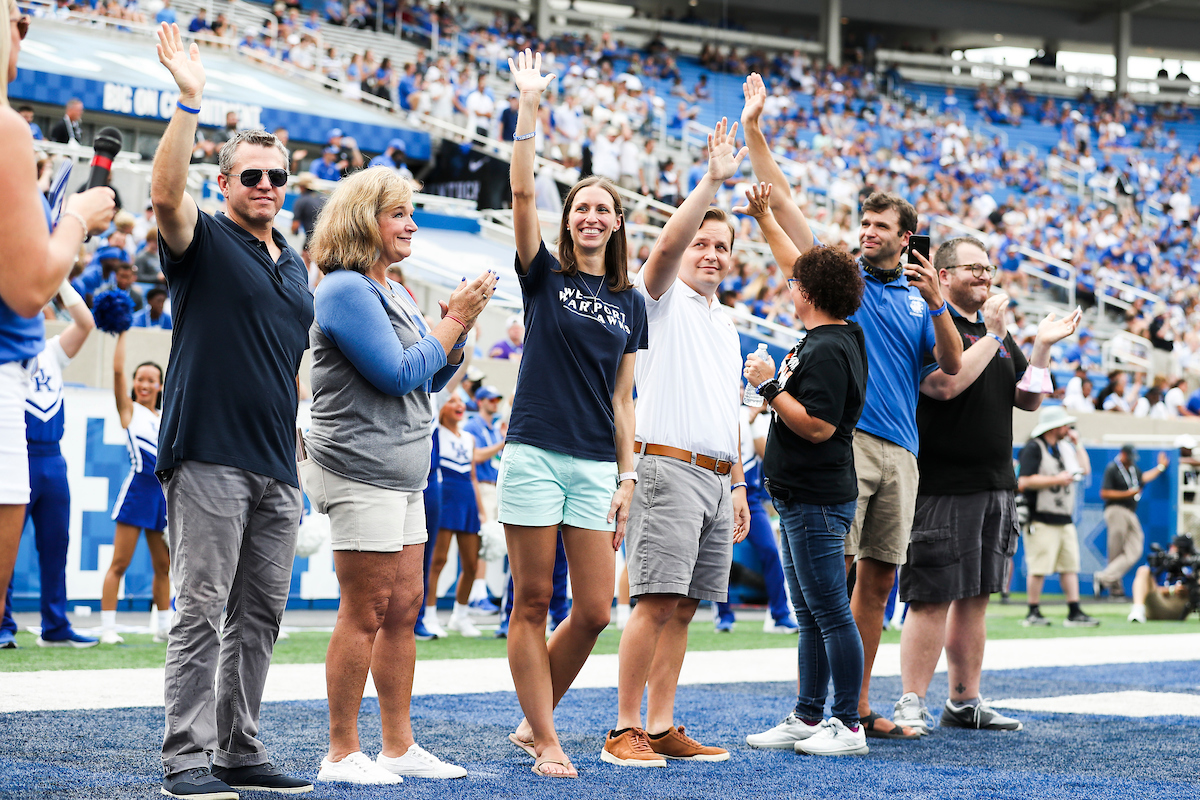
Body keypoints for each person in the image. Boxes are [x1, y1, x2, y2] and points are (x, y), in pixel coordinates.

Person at [741, 71, 963, 741]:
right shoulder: (843, 280)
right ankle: (829, 710)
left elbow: (951, 367)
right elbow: (780, 202)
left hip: (900, 450)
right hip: (843, 443)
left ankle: (855, 707)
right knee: (825, 582)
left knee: (875, 582)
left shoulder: (920, 297)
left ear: (907, 237)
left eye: (879, 226)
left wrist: (938, 303)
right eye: (863, 222)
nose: (865, 233)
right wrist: (754, 131)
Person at [152, 23, 315, 797]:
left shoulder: (295, 267)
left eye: (276, 176)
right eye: (251, 175)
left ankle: (239, 748)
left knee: (260, 618)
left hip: (276, 465)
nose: (265, 186)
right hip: (209, 452)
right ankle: (187, 757)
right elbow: (161, 195)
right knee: (202, 611)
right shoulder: (204, 241)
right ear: (224, 183)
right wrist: (190, 101)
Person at [302, 166, 492, 784]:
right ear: (364, 220)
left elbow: (431, 375)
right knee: (367, 606)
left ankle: (397, 745)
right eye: (398, 213)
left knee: (405, 607)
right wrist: (452, 322)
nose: (411, 224)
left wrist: (455, 334)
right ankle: (340, 752)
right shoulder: (346, 288)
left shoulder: (394, 288)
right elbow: (395, 374)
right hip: (361, 468)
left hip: (403, 470)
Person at [502, 50, 647, 780]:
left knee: (592, 609)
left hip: (595, 462)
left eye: (602, 209)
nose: (590, 216)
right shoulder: (544, 279)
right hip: (534, 448)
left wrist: (628, 474)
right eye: (580, 207)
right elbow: (523, 194)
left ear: (618, 223)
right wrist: (531, 105)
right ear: (571, 221)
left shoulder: (631, 302)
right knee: (532, 600)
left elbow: (624, 399)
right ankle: (548, 739)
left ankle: (534, 721)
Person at [603, 118, 751, 768]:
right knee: (655, 599)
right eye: (703, 243)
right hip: (666, 467)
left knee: (685, 607)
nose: (711, 253)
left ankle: (660, 725)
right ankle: (623, 727)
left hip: (719, 475)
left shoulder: (726, 321)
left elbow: (731, 409)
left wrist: (741, 482)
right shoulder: (658, 299)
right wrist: (711, 181)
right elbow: (662, 250)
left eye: (722, 245)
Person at [890, 237, 1080, 736]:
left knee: (976, 594)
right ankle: (911, 699)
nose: (986, 275)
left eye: (989, 267)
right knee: (931, 595)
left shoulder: (995, 331)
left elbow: (1030, 400)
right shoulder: (932, 323)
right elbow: (945, 385)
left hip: (995, 481)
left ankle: (964, 699)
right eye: (974, 267)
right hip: (941, 482)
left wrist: (1039, 347)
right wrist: (996, 335)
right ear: (944, 275)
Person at [739, 188, 870, 757]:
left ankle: (847, 721)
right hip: (801, 495)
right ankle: (810, 715)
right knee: (811, 614)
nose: (788, 285)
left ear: (809, 293)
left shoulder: (826, 347)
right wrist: (767, 220)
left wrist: (769, 386)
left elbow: (816, 425)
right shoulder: (835, 336)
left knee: (830, 612)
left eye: (796, 282)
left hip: (816, 497)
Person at [0, 1, 115, 634]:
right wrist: (76, 217)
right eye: (15, 18)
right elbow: (26, 290)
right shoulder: (8, 131)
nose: (24, 31)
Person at [0, 282, 97, 649]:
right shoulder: (7, 352)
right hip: (16, 453)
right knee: (5, 543)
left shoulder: (53, 352)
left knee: (56, 545)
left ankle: (55, 625)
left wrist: (57, 279)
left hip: (52, 458)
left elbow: (85, 322)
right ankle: (3, 625)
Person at [100, 331, 170, 645]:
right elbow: (116, 372)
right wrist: (121, 333)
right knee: (120, 563)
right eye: (140, 379)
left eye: (151, 380)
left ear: (159, 386)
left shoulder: (166, 416)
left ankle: (164, 627)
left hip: (162, 496)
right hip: (138, 491)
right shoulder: (129, 410)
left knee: (163, 565)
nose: (144, 384)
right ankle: (107, 628)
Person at [714, 401, 797, 635]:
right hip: (720, 494)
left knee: (770, 552)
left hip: (751, 498)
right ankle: (723, 615)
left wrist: (752, 423)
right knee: (720, 558)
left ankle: (781, 614)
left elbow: (766, 455)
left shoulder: (756, 420)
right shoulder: (720, 410)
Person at [1016, 406, 1099, 628]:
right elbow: (1023, 482)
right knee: (1039, 567)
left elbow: (1085, 469)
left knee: (1069, 566)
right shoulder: (1034, 448)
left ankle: (1074, 610)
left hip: (1064, 518)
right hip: (1040, 518)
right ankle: (1033, 611)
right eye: (1065, 425)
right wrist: (1056, 480)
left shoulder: (1062, 448)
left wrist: (1077, 443)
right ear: (1054, 427)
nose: (1068, 428)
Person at [426, 394, 486, 638]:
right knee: (438, 561)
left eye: (461, 402)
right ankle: (428, 615)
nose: (459, 405)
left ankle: (460, 616)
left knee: (472, 563)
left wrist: (481, 510)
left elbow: (472, 475)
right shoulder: (435, 433)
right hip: (445, 497)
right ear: (441, 408)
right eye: (452, 401)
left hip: (467, 499)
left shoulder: (469, 438)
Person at [1095, 444, 1170, 598]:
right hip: (1116, 510)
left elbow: (1144, 478)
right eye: (1128, 458)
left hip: (1130, 512)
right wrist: (1127, 494)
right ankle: (1115, 590)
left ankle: (1103, 578)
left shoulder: (1132, 469)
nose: (1130, 461)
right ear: (1122, 454)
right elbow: (1104, 492)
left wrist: (1161, 467)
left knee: (1135, 548)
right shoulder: (1112, 469)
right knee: (1115, 550)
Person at [463, 385, 505, 614]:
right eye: (490, 400)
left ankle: (481, 592)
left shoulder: (492, 427)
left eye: (496, 399)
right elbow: (475, 456)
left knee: (491, 542)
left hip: (494, 487)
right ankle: (477, 595)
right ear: (480, 402)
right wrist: (501, 443)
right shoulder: (473, 426)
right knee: (484, 541)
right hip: (481, 487)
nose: (494, 403)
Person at [1127, 534, 1196, 623]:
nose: (1172, 548)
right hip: (1158, 602)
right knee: (1143, 571)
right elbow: (1152, 587)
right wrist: (1171, 590)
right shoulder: (1162, 560)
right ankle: (1137, 610)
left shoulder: (1192, 564)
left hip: (1179, 606)